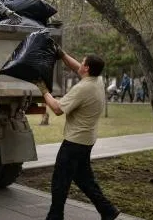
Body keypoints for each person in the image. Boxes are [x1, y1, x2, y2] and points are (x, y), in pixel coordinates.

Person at [34, 46, 120, 220]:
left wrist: (43, 90)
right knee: (84, 180)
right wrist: (63, 55)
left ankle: (55, 216)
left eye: (82, 62)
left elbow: (57, 109)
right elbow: (76, 67)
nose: (79, 64)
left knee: (60, 181)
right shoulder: (98, 80)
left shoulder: (83, 89)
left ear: (87, 68)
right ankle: (108, 211)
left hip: (74, 143)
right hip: (86, 141)